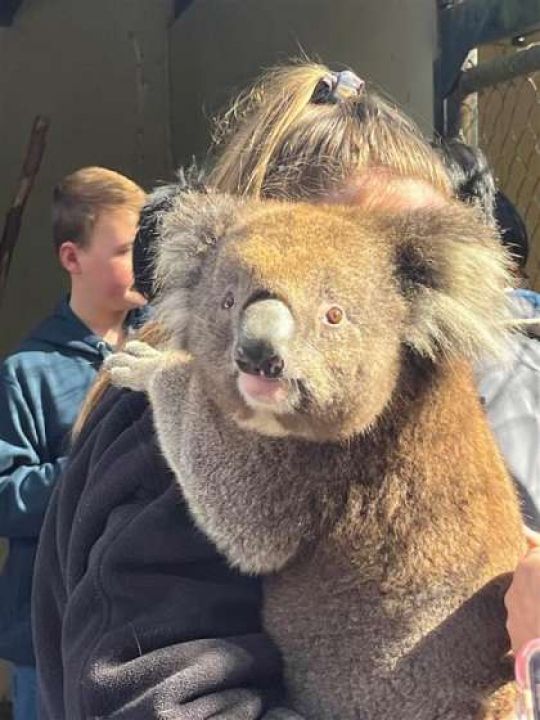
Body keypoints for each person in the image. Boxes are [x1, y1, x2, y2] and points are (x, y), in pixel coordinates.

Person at [31, 64, 529, 719]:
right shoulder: (189, 428)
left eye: (417, 276)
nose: (403, 315)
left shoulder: (419, 401)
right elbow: (158, 694)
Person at [0, 166, 147, 719]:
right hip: (50, 638)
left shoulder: (171, 353)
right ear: (71, 258)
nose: (144, 264)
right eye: (127, 250)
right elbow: (4, 494)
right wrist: (93, 468)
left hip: (145, 622)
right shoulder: (27, 373)